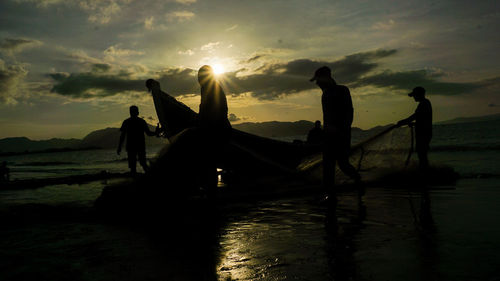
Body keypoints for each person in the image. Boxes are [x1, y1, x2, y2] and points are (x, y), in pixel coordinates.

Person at [310, 66, 361, 191]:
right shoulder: (325, 94)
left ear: (326, 78)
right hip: (329, 137)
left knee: (343, 164)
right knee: (328, 166)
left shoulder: (342, 90)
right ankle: (330, 196)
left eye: (318, 80)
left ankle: (359, 185)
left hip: (341, 135)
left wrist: (341, 130)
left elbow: (349, 112)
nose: (316, 83)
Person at [197, 65, 231, 192]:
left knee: (210, 161)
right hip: (214, 128)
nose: (199, 79)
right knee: (209, 162)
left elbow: (218, 111)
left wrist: (206, 125)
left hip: (218, 129)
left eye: (201, 76)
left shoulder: (213, 88)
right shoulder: (206, 88)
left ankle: (212, 192)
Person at [397, 86, 432, 170]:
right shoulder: (424, 103)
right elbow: (422, 119)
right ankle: (424, 170)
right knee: (421, 153)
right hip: (424, 132)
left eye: (414, 95)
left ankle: (424, 172)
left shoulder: (424, 103)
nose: (413, 97)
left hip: (424, 133)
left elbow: (416, 116)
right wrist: (415, 124)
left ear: (419, 94)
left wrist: (403, 122)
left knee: (422, 153)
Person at [117, 105, 158, 174]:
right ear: (138, 112)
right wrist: (156, 133)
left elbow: (122, 136)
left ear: (130, 112)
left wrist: (119, 147)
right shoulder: (141, 121)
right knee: (143, 164)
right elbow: (149, 133)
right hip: (140, 146)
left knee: (133, 167)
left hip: (131, 146)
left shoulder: (126, 122)